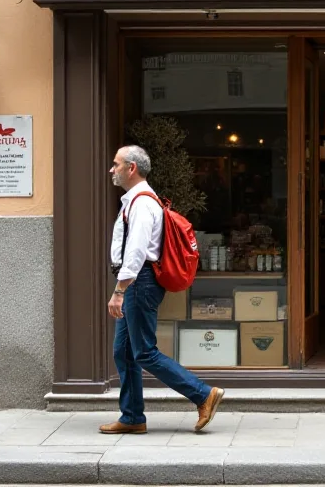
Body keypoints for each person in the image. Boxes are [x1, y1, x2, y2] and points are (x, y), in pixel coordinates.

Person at [100, 145, 224, 435]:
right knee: (124, 351)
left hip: (138, 282)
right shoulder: (135, 200)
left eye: (116, 164)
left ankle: (203, 394)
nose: (111, 169)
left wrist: (119, 290)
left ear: (132, 168)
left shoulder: (142, 203)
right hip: (137, 281)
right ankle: (132, 417)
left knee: (144, 352)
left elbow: (136, 251)